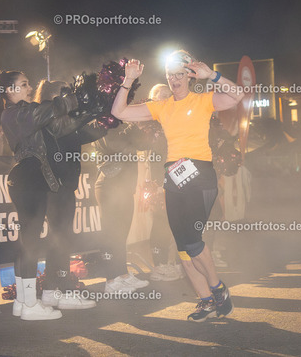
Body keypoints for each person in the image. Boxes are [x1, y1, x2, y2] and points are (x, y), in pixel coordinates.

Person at [111, 51, 243, 321]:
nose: (174, 79)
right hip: (173, 177)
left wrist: (212, 75)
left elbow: (237, 96)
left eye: (180, 74)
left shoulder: (202, 100)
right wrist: (128, 80)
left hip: (200, 175)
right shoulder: (162, 106)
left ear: (190, 76)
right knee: (183, 247)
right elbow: (118, 112)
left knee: (193, 241)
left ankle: (218, 289)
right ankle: (206, 300)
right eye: (170, 75)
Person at [0, 70, 85, 321]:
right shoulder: (14, 113)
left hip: (29, 179)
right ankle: (30, 304)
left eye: (28, 84)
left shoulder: (20, 111)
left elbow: (57, 124)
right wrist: (72, 99)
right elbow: (44, 112)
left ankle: (23, 302)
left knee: (28, 242)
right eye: (23, 84)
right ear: (8, 90)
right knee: (30, 243)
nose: (29, 88)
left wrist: (85, 110)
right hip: (28, 179)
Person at [34, 80, 107, 310]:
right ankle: (61, 290)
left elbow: (86, 133)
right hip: (53, 186)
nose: (71, 96)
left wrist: (109, 116)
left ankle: (52, 290)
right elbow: (68, 128)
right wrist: (88, 110)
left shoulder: (65, 120)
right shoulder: (47, 117)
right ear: (52, 97)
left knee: (61, 237)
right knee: (60, 239)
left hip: (64, 186)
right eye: (65, 93)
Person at [94, 122, 151, 293]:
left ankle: (123, 274)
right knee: (111, 235)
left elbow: (144, 144)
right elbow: (115, 145)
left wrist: (139, 127)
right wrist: (132, 128)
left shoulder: (125, 124)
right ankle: (111, 280)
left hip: (125, 187)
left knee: (121, 234)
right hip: (109, 185)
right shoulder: (103, 121)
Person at [144, 84, 184, 281]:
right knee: (160, 223)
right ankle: (159, 267)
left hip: (180, 178)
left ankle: (177, 263)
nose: (166, 98)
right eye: (161, 96)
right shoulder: (150, 123)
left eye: (169, 95)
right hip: (160, 181)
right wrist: (158, 184)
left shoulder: (178, 119)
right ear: (153, 100)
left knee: (179, 223)